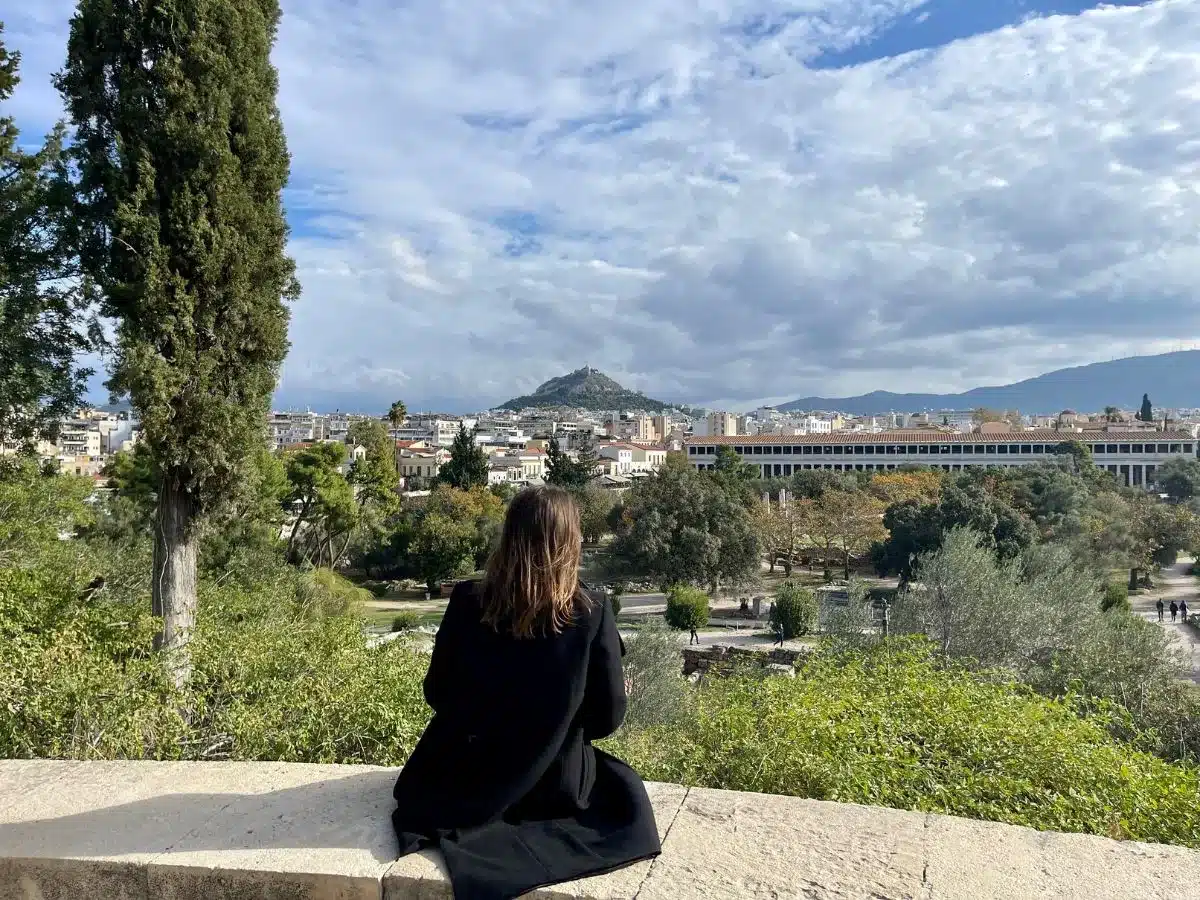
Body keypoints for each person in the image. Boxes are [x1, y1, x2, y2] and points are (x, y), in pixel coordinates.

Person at [391, 487, 661, 900]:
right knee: (625, 795)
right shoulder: (591, 612)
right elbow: (607, 719)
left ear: (509, 536)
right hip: (554, 783)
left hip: (464, 773)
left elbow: (437, 692)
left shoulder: (466, 600)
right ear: (570, 542)